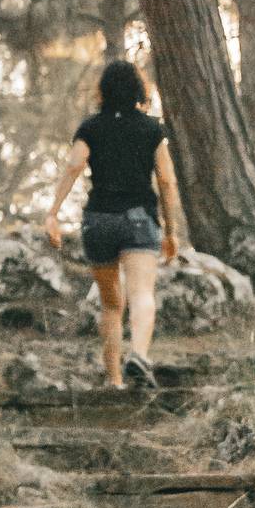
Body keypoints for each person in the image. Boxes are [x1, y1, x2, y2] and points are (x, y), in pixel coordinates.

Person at [44, 60, 181, 389]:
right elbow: (166, 180)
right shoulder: (152, 129)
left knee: (110, 304)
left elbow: (74, 165)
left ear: (103, 91)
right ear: (138, 90)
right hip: (138, 218)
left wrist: (53, 212)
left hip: (98, 221)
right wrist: (171, 230)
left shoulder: (90, 127)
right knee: (141, 292)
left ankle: (114, 380)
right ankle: (139, 354)